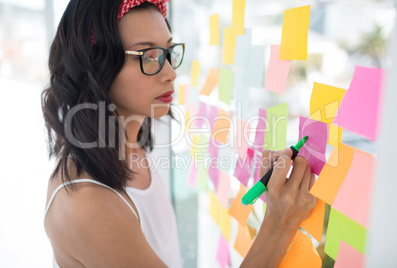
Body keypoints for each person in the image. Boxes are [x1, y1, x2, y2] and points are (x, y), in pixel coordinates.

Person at [41, 0, 317, 267]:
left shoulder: (130, 146)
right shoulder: (88, 206)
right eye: (148, 56)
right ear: (94, 64)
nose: (171, 73)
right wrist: (280, 222)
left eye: (169, 52)